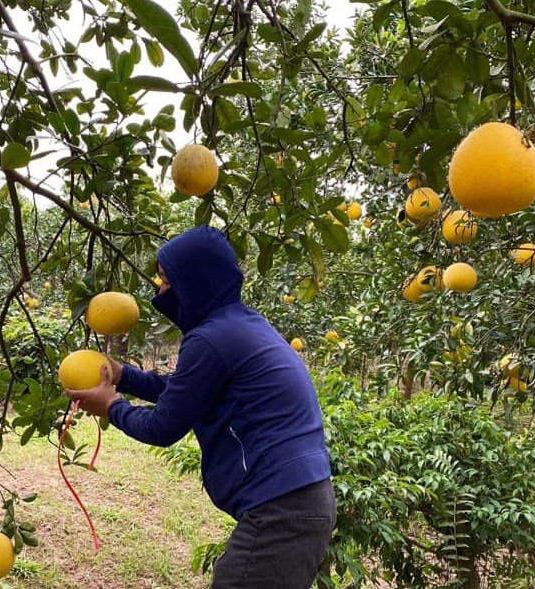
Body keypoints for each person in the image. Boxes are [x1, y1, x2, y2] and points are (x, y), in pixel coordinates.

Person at [64, 225, 335, 589]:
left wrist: (111, 404)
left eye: (166, 281)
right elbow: (183, 391)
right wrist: (122, 375)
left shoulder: (212, 338)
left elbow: (162, 427)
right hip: (297, 499)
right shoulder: (239, 324)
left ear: (195, 282)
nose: (160, 291)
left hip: (282, 507)